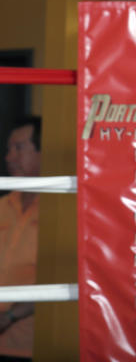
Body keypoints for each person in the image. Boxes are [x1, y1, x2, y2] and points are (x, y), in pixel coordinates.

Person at [0, 117, 41, 362]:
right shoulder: (2, 206)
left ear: (42, 151)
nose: (9, 157)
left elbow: (66, 277)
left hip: (33, 347)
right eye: (8, 149)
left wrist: (10, 316)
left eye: (19, 148)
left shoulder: (61, 212)